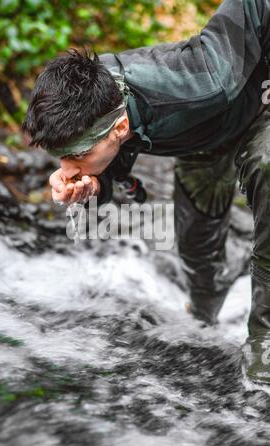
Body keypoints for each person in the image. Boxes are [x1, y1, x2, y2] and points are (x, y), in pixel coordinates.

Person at [23, 0, 270, 385]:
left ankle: (264, 338)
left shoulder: (207, 78)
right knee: (197, 249)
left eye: (76, 157)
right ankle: (204, 319)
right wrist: (93, 185)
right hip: (204, 142)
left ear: (120, 128)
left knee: (266, 163)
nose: (66, 169)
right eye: (62, 159)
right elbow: (106, 161)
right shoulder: (92, 98)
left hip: (258, 104)